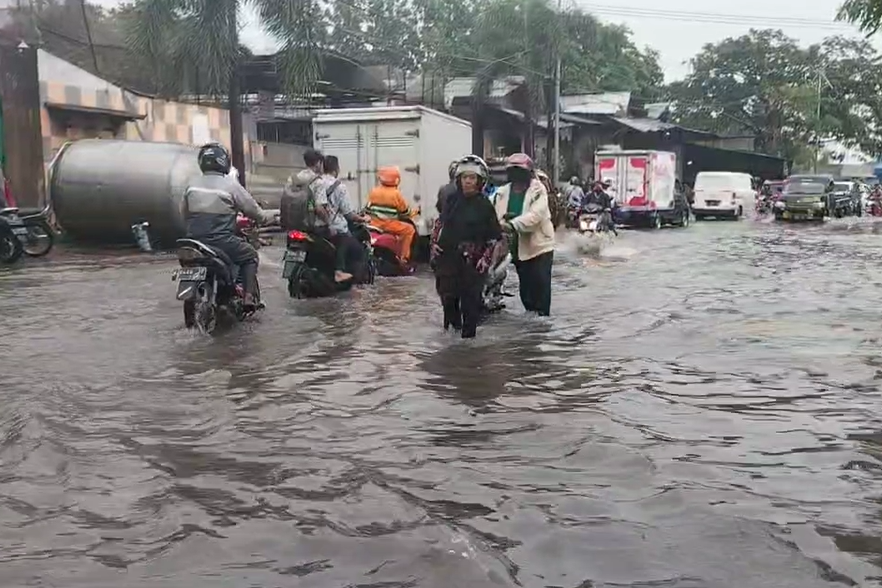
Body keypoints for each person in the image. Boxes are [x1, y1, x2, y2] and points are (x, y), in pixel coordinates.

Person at [182, 142, 277, 308]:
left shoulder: (191, 185)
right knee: (250, 255)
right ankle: (248, 298)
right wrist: (270, 218)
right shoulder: (231, 186)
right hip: (221, 242)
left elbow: (183, 213)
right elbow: (257, 213)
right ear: (224, 162)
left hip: (193, 242)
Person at [430, 155, 502, 338]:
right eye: (464, 178)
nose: (468, 182)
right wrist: (433, 244)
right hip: (448, 261)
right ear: (458, 180)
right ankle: (451, 350)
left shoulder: (485, 205)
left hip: (473, 263)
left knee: (470, 307)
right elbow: (440, 224)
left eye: (472, 178)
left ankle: (468, 353)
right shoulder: (451, 200)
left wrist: (486, 259)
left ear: (479, 181)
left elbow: (494, 238)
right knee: (448, 302)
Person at [492, 153, 555, 316]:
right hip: (517, 248)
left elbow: (535, 217)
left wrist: (512, 224)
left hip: (540, 247)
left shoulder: (538, 190)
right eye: (512, 171)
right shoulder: (502, 193)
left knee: (540, 288)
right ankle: (531, 319)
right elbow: (492, 214)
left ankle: (542, 322)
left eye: (519, 171)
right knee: (526, 289)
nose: (516, 175)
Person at [285, 149, 351, 283]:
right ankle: (338, 272)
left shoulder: (293, 179)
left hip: (294, 225)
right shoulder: (317, 181)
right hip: (314, 227)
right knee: (342, 237)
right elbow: (319, 208)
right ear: (319, 163)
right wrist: (329, 223)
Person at [323, 155, 370, 279]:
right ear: (336, 169)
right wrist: (363, 219)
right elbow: (349, 214)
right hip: (335, 228)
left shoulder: (315, 183)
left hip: (316, 228)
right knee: (357, 249)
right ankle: (345, 275)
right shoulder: (339, 187)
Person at [365, 166, 418, 267]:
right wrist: (415, 212)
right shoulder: (396, 194)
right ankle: (403, 258)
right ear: (397, 180)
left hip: (374, 223)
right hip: (389, 224)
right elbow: (405, 212)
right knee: (410, 230)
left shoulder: (374, 191)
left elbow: (367, 208)